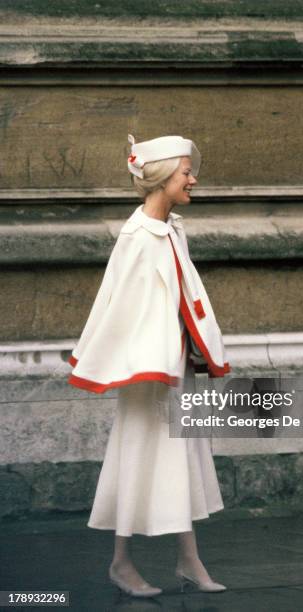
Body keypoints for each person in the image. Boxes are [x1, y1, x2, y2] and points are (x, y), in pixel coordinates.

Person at [68, 133, 230, 598]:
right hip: (147, 373)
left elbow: (185, 295)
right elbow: (122, 307)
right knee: (137, 459)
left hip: (174, 368)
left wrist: (199, 344)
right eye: (185, 173)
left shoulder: (172, 228)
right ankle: (121, 562)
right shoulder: (139, 237)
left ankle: (188, 558)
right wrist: (150, 357)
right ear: (161, 178)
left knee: (179, 458)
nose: (193, 179)